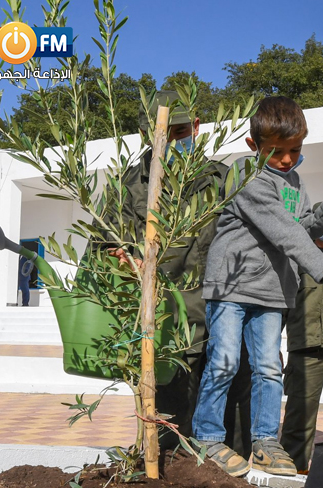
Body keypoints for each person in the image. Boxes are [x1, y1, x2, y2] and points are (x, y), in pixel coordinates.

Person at [193, 96, 323, 477]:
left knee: (268, 368)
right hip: (232, 286)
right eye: (277, 152)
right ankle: (207, 437)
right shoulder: (244, 173)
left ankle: (265, 442)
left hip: (271, 292)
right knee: (224, 362)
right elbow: (284, 231)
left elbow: (300, 228)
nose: (287, 159)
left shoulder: (294, 182)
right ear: (254, 146)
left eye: (294, 150)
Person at [102, 90, 253, 458]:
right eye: (163, 134)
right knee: (170, 435)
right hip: (167, 331)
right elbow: (103, 245)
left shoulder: (223, 181)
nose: (172, 142)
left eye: (180, 132)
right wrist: (120, 258)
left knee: (232, 436)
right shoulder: (128, 187)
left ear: (197, 127)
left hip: (226, 325)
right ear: (145, 135)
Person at [280, 227, 323, 474]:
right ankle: (294, 470)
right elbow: (281, 300)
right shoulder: (296, 260)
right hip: (305, 347)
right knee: (298, 416)